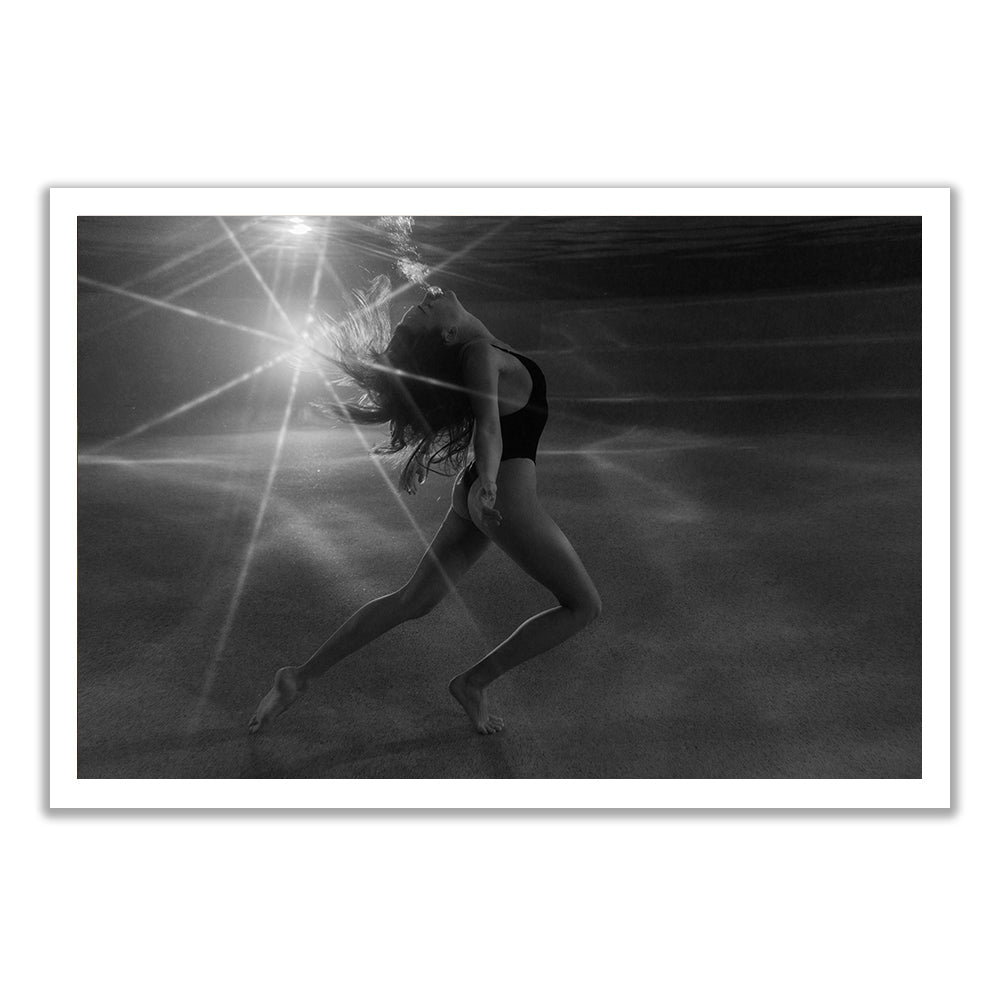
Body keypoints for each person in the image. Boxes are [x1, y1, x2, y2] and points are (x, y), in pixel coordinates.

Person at [249, 284, 601, 736]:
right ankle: (473, 682)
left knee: (412, 600)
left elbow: (480, 411)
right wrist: (490, 481)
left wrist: (432, 456)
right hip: (502, 499)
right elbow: (488, 429)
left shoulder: (477, 353)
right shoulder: (479, 352)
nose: (429, 298)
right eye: (425, 310)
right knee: (582, 606)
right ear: (449, 334)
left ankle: (298, 677)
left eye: (422, 305)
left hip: (474, 492)